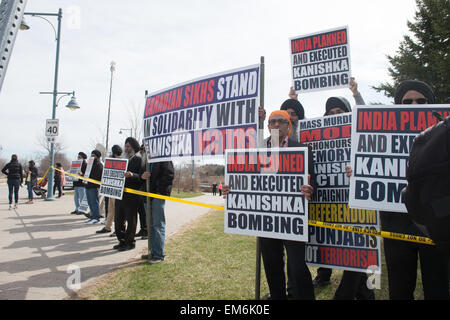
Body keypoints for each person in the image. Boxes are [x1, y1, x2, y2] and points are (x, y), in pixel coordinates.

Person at [346, 80, 449, 300]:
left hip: (435, 222)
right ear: (398, 105)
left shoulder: (445, 135)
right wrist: (360, 171)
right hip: (395, 221)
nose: (414, 104)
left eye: (421, 101)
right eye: (407, 101)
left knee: (437, 286)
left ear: (431, 104)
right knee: (400, 288)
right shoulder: (384, 133)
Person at [224, 110, 316, 299]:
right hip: (265, 218)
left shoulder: (302, 149)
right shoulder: (256, 149)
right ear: (267, 126)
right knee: (272, 266)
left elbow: (312, 179)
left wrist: (309, 188)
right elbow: (244, 178)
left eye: (281, 121)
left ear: (288, 126)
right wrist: (229, 189)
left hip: (292, 218)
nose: (276, 125)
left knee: (298, 267)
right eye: (272, 121)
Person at [141, 158, 175, 264]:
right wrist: (142, 176)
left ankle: (159, 254)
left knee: (157, 224)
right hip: (147, 194)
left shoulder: (164, 157)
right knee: (150, 224)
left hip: (158, 194)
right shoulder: (146, 159)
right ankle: (152, 251)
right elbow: (140, 174)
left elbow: (169, 175)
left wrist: (161, 191)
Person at [113, 137, 144, 251]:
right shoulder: (122, 160)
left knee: (131, 220)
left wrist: (132, 175)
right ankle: (121, 240)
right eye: (125, 146)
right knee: (118, 219)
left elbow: (141, 177)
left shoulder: (138, 160)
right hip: (120, 194)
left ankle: (130, 242)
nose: (126, 149)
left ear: (134, 147)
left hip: (132, 196)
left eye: (128, 147)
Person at [97, 145, 122, 234]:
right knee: (110, 209)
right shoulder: (111, 161)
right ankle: (108, 226)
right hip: (112, 189)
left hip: (117, 190)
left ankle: (118, 228)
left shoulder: (123, 161)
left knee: (117, 211)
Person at [84, 150, 103, 225]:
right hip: (88, 185)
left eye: (94, 155)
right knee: (90, 202)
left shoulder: (99, 165)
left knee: (94, 202)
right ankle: (92, 216)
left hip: (94, 186)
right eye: (91, 155)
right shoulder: (89, 164)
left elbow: (97, 176)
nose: (92, 157)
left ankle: (96, 217)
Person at [135, 144, 148, 239]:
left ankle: (147, 231)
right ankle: (143, 229)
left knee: (146, 213)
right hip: (140, 190)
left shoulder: (148, 161)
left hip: (147, 192)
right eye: (140, 149)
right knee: (141, 212)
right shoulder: (141, 161)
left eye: (143, 149)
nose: (141, 151)